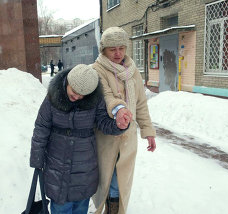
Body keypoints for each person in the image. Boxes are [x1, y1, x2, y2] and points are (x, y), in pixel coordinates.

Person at [30, 64, 129, 214]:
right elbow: (41, 127)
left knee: (80, 208)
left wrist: (119, 125)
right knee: (60, 208)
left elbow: (103, 123)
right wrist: (37, 159)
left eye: (82, 95)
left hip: (85, 168)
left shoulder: (96, 100)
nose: (77, 97)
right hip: (57, 165)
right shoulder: (52, 97)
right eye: (74, 91)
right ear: (67, 82)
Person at [92, 27, 157, 214]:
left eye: (121, 48)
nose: (118, 53)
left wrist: (148, 131)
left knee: (120, 183)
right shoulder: (96, 70)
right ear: (103, 50)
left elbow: (141, 104)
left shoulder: (133, 72)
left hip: (128, 138)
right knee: (105, 181)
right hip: (106, 137)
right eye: (112, 49)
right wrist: (120, 109)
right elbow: (106, 95)